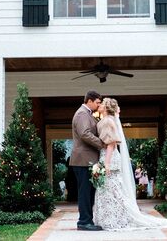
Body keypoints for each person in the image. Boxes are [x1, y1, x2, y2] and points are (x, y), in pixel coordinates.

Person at [93, 98, 167, 231]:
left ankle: (116, 219)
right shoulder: (104, 121)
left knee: (113, 189)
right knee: (107, 189)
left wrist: (106, 163)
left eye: (102, 103)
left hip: (109, 157)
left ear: (106, 107)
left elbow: (111, 143)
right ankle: (110, 218)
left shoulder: (107, 121)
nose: (99, 105)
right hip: (105, 155)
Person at [70, 90, 104, 231]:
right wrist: (102, 144)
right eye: (97, 102)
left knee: (89, 192)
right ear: (89, 101)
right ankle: (84, 222)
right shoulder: (82, 114)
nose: (99, 105)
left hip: (87, 160)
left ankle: (87, 220)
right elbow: (85, 134)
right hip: (83, 160)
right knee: (85, 192)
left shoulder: (87, 114)